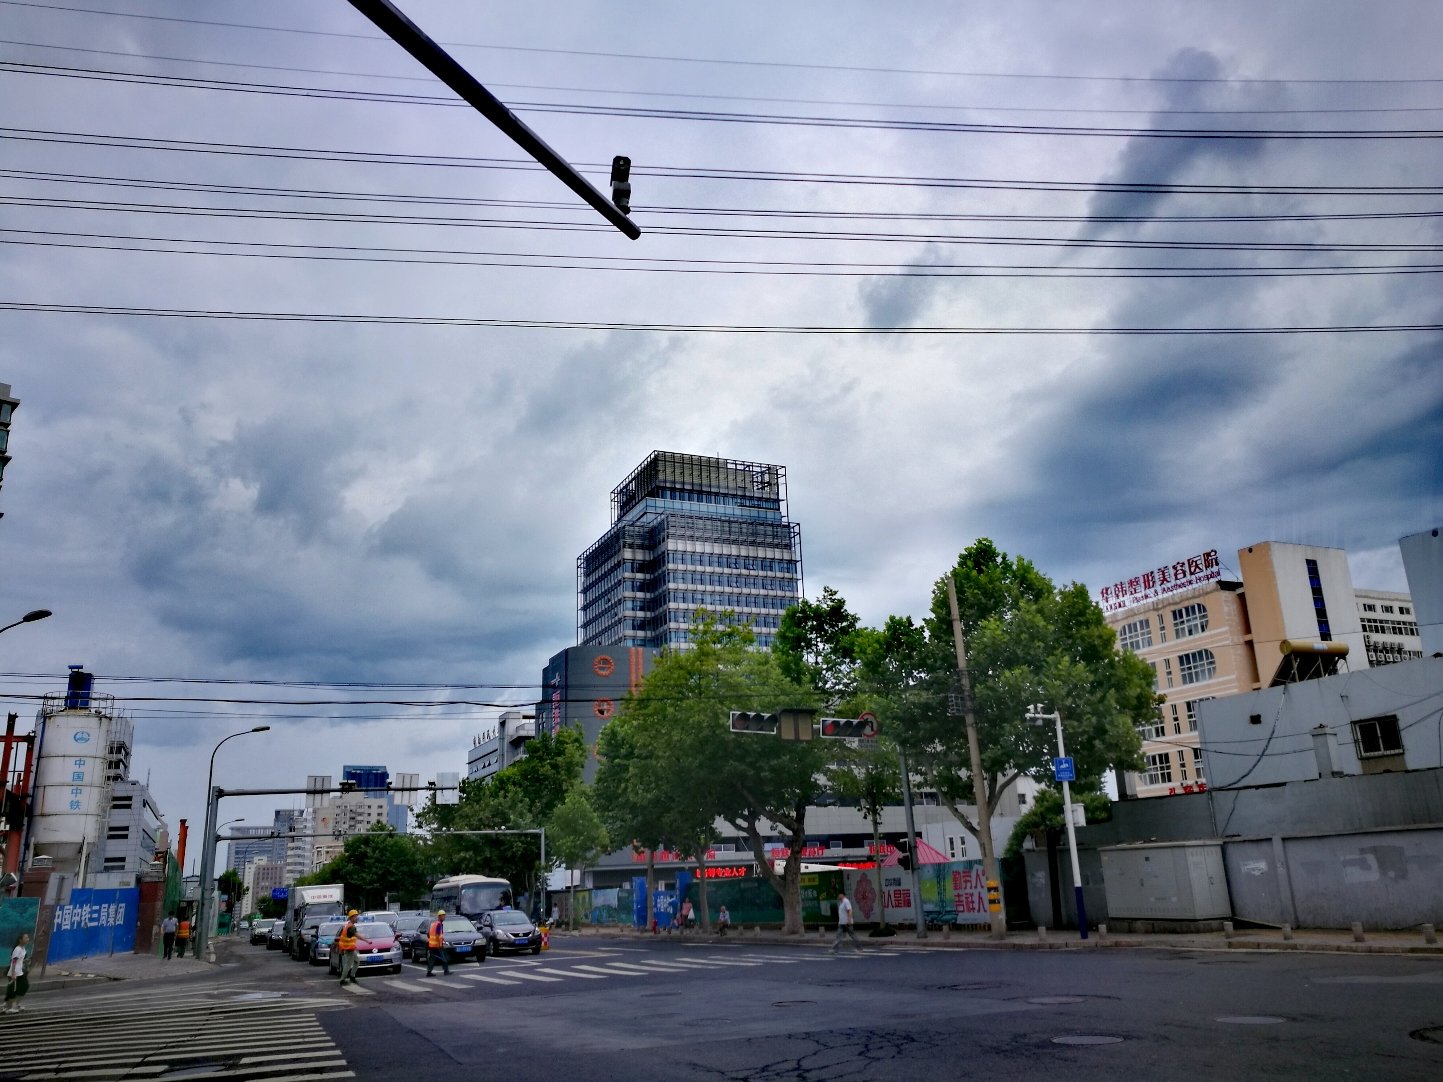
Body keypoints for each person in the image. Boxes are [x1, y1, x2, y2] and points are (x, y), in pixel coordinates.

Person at [335, 910, 370, 986]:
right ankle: (343, 979)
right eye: (356, 917)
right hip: (349, 948)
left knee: (357, 961)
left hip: (349, 948)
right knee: (348, 964)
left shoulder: (348, 925)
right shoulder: (351, 927)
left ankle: (352, 977)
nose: (357, 918)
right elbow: (357, 935)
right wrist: (367, 941)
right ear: (351, 917)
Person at [4, 933, 29, 1014]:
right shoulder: (17, 949)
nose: (28, 939)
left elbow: (19, 960)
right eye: (25, 937)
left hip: (20, 971)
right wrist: (13, 973)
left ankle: (14, 1005)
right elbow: (14, 961)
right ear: (20, 940)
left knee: (24, 986)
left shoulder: (23, 948)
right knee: (13, 990)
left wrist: (25, 961)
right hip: (15, 972)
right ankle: (9, 1007)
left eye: (28, 937)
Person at [425, 910, 449, 977]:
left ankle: (429, 972)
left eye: (444, 915)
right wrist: (438, 943)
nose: (444, 917)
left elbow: (429, 934)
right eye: (443, 916)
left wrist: (441, 939)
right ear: (440, 916)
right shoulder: (438, 924)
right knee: (444, 957)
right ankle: (446, 971)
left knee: (432, 958)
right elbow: (438, 934)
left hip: (432, 945)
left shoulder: (434, 923)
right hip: (437, 945)